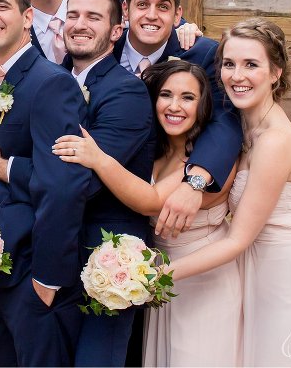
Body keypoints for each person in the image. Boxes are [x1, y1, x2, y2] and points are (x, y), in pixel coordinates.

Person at [0, 0, 154, 366]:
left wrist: (1, 167)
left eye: (94, 17)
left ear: (115, 30)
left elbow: (84, 180)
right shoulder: (41, 78)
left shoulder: (125, 92)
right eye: (72, 15)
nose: (80, 24)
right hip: (45, 249)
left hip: (102, 258)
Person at [165, 19, 291, 366]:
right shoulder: (242, 125)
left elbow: (238, 239)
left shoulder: (275, 142)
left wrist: (161, 275)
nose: (237, 75)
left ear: (276, 72)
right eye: (229, 64)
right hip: (258, 275)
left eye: (251, 65)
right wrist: (185, 27)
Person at [54, 59, 242, 367]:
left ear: (203, 104)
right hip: (160, 286)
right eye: (166, 95)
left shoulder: (209, 162)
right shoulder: (156, 151)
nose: (174, 106)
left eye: (188, 98)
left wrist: (99, 158)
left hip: (204, 282)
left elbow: (152, 201)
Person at [0, 0, 92, 366]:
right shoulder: (3, 81)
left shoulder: (49, 82)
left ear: (27, 17)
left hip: (32, 273)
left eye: (1, 6)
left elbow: (63, 187)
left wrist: (46, 280)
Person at [114, 0, 243, 240]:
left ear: (177, 15)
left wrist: (195, 181)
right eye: (142, 4)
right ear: (125, 10)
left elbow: (226, 120)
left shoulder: (201, 53)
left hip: (166, 190)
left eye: (163, 6)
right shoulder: (104, 46)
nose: (151, 15)